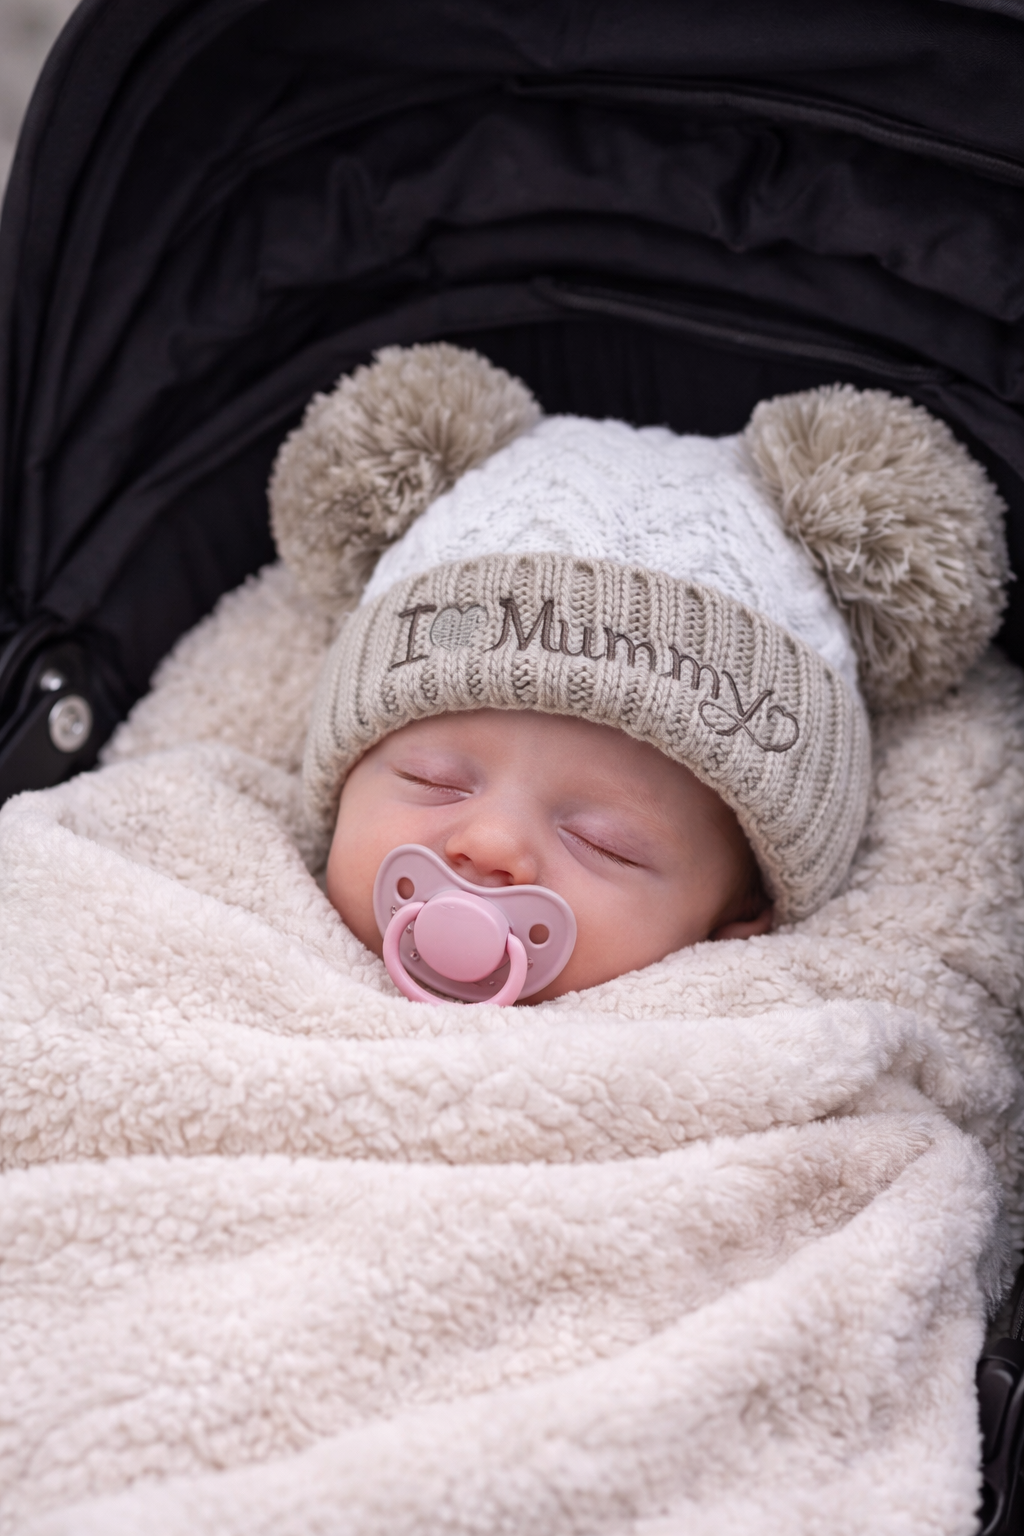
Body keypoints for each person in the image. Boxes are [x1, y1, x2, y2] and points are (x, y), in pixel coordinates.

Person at [272, 345, 1006, 1001]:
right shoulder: (242, 909)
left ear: (737, 925)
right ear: (338, 788)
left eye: (604, 843)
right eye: (432, 780)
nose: (490, 844)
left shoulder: (780, 1047)